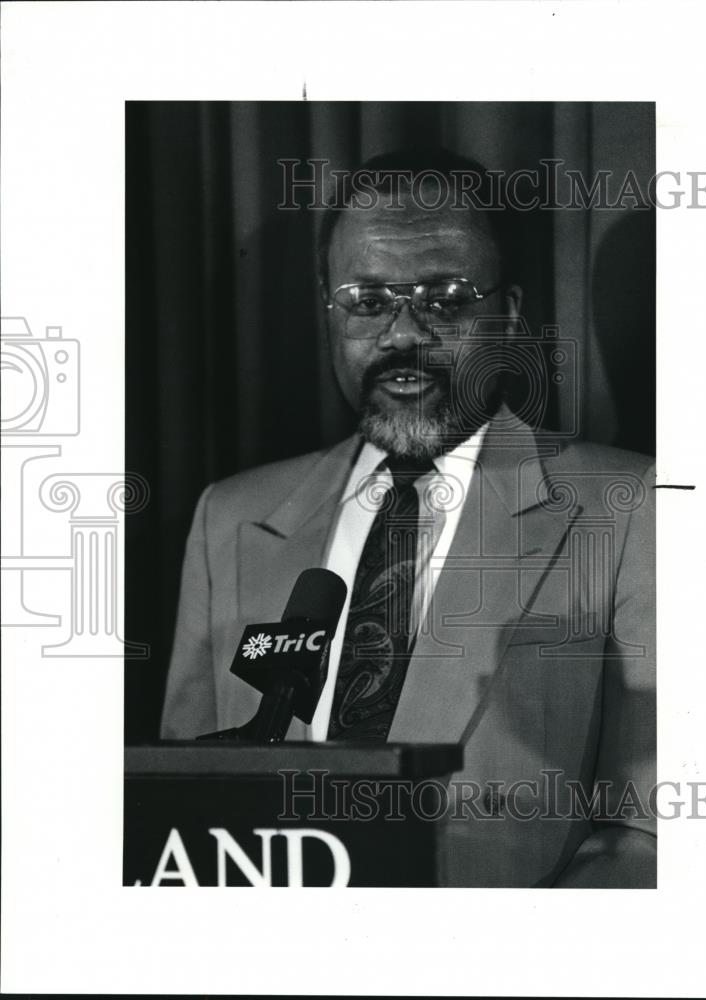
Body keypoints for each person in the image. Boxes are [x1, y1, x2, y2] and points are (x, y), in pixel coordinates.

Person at [161, 149, 656, 888]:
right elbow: (183, 797)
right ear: (330, 310)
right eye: (366, 299)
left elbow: (645, 834)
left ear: (510, 315)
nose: (401, 334)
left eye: (446, 297)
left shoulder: (627, 508)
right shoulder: (228, 516)